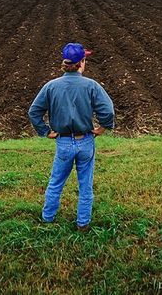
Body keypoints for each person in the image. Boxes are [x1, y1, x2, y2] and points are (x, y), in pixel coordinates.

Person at [28, 42, 115, 231]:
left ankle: (48, 218)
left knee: (56, 182)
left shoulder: (51, 86)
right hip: (85, 141)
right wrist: (102, 128)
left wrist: (45, 131)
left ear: (64, 62)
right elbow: (107, 111)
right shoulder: (92, 86)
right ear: (82, 62)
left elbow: (34, 111)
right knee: (85, 185)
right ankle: (83, 223)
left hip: (64, 142)